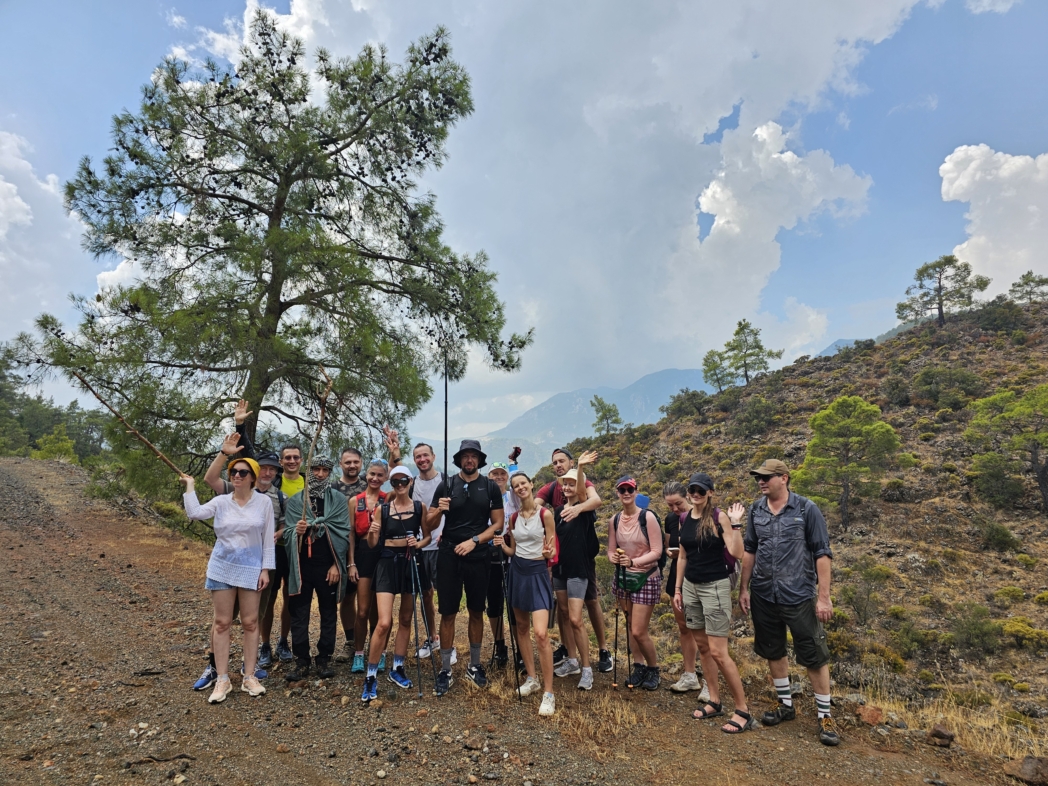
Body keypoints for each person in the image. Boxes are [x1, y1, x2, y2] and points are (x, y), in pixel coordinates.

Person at [739, 459, 840, 746]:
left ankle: (824, 715)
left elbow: (822, 553)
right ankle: (785, 704)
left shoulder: (807, 509)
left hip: (798, 594)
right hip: (763, 594)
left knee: (814, 654)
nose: (761, 481)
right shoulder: (756, 509)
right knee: (773, 649)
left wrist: (823, 597)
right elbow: (750, 550)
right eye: (758, 477)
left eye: (767, 477)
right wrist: (744, 589)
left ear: (784, 478)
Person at [181, 452, 274, 703]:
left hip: (251, 568)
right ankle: (222, 679)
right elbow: (195, 513)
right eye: (234, 472)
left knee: (251, 623)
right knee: (222, 623)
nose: (237, 476)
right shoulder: (222, 501)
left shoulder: (263, 503)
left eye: (243, 472)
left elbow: (267, 539)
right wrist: (190, 487)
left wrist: (265, 569)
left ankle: (249, 676)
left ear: (253, 478)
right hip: (222, 567)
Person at [672, 472, 752, 733]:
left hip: (714, 588)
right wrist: (677, 589)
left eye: (701, 491)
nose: (695, 494)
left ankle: (743, 710)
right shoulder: (684, 518)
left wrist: (737, 525)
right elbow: (682, 556)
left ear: (710, 493)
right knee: (703, 647)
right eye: (692, 490)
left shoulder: (719, 517)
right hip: (690, 587)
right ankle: (714, 700)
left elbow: (737, 553)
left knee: (719, 651)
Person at [427, 439, 504, 696]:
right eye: (465, 456)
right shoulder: (447, 485)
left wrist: (474, 541)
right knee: (447, 612)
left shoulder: (489, 486)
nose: (469, 460)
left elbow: (498, 524)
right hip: (449, 553)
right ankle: (445, 668)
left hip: (478, 553)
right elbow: (428, 523)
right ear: (459, 459)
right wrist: (440, 509)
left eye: (473, 456)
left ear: (479, 460)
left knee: (475, 610)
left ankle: (474, 664)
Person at [536, 448, 612, 673]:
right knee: (563, 609)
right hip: (562, 558)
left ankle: (603, 648)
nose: (558, 465)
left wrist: (578, 507)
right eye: (555, 462)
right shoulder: (553, 488)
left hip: (583, 557)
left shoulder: (582, 483)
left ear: (570, 462)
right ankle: (570, 653)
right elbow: (535, 504)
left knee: (590, 601)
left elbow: (593, 499)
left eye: (562, 461)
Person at [360, 466, 431, 700]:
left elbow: (427, 536)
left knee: (406, 618)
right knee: (383, 622)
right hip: (387, 563)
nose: (399, 485)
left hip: (410, 563)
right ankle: (370, 675)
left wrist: (417, 544)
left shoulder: (420, 508)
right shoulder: (383, 509)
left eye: (403, 481)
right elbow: (372, 543)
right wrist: (372, 532)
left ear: (410, 481)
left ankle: (397, 667)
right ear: (391, 484)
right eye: (395, 482)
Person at [282, 455, 350, 681]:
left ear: (330, 472)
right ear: (308, 470)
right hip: (301, 566)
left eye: (325, 470)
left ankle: (324, 658)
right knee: (299, 613)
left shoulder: (338, 500)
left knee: (328, 612)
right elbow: (288, 532)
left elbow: (343, 533)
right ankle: (301, 659)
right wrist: (297, 532)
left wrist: (335, 565)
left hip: (327, 566)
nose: (320, 474)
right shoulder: (296, 502)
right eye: (316, 469)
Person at [497, 472, 557, 715]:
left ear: (531, 485)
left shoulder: (546, 515)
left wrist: (547, 554)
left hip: (538, 573)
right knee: (521, 628)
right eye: (515, 486)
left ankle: (549, 692)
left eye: (523, 483)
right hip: (517, 572)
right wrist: (502, 545)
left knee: (541, 634)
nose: (520, 488)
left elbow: (551, 551)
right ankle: (532, 678)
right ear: (513, 491)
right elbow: (514, 549)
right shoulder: (513, 518)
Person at [389, 441, 450, 663]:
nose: (422, 460)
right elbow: (396, 478)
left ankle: (447, 642)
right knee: (425, 595)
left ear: (433, 457)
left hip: (443, 546)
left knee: (445, 594)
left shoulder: (446, 481)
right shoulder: (411, 484)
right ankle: (432, 637)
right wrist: (394, 454)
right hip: (419, 546)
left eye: (426, 455)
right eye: (418, 457)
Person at [607, 476, 663, 691]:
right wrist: (614, 558)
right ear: (618, 493)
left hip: (646, 577)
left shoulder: (647, 518)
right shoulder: (614, 520)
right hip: (623, 578)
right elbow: (611, 549)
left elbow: (656, 552)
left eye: (630, 489)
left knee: (639, 630)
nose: (626, 493)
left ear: (636, 491)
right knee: (630, 626)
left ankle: (653, 668)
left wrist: (633, 562)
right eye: (622, 490)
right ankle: (638, 666)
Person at [551, 467, 602, 690]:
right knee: (564, 614)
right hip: (560, 570)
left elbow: (588, 496)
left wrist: (579, 467)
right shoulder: (558, 510)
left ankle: (587, 668)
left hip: (578, 571)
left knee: (575, 619)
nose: (568, 487)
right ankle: (572, 661)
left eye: (573, 483)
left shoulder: (584, 509)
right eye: (566, 484)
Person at [662, 481, 710, 701]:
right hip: (678, 575)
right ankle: (690, 674)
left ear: (688, 497)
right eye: (670, 505)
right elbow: (669, 544)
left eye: (678, 504)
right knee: (684, 626)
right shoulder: (672, 519)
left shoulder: (705, 517)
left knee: (706, 631)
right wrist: (670, 552)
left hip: (703, 575)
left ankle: (710, 681)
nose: (674, 509)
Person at [348, 459, 389, 673]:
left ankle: (380, 652)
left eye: (380, 475)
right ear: (366, 474)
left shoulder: (388, 499)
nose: (375, 478)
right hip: (363, 555)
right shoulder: (356, 501)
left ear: (386, 478)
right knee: (363, 610)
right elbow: (351, 534)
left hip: (383, 554)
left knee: (381, 613)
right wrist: (351, 562)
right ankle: (358, 654)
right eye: (372, 474)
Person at [331, 447, 366, 661]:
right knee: (347, 596)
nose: (352, 465)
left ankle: (367, 642)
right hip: (341, 549)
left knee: (368, 596)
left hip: (368, 548)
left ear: (361, 462)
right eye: (347, 462)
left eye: (355, 462)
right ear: (340, 464)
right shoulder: (333, 488)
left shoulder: (368, 485)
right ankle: (351, 641)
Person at [485, 461, 517, 667]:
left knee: (514, 605)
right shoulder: (484, 497)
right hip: (490, 553)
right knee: (494, 604)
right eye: (494, 474)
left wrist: (514, 465)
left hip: (514, 553)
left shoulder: (514, 496)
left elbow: (518, 478)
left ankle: (520, 650)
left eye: (502, 473)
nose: (498, 477)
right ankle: (500, 646)